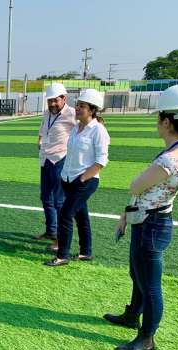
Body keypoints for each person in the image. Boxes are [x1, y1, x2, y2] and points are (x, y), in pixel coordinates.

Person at [105, 84, 178, 350]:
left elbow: (135, 186)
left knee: (149, 284)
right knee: (138, 274)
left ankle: (146, 337)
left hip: (152, 226)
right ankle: (131, 316)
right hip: (148, 221)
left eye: (158, 118)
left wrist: (132, 199)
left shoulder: (172, 158)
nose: (156, 123)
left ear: (168, 122)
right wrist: (126, 214)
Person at [45, 89, 109, 266]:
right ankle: (85, 252)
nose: (77, 109)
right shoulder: (75, 128)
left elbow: (102, 161)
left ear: (92, 110)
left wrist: (83, 178)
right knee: (81, 216)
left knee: (65, 214)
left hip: (85, 181)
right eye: (78, 105)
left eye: (82, 106)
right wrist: (66, 176)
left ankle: (62, 255)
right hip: (68, 179)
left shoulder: (98, 130)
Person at [33, 83, 76, 243]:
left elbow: (89, 125)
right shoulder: (47, 113)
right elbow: (44, 128)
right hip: (45, 159)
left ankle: (60, 237)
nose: (52, 104)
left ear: (64, 98)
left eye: (55, 101)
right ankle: (51, 231)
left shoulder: (72, 113)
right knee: (45, 197)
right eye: (49, 101)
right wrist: (39, 140)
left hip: (60, 159)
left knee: (59, 200)